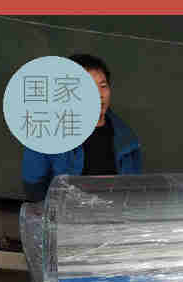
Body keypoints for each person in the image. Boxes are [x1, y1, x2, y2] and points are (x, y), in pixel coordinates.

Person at [21, 54, 142, 201]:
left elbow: (132, 189)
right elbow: (33, 187)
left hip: (113, 212)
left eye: (103, 86)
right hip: (67, 212)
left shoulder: (127, 139)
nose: (99, 95)